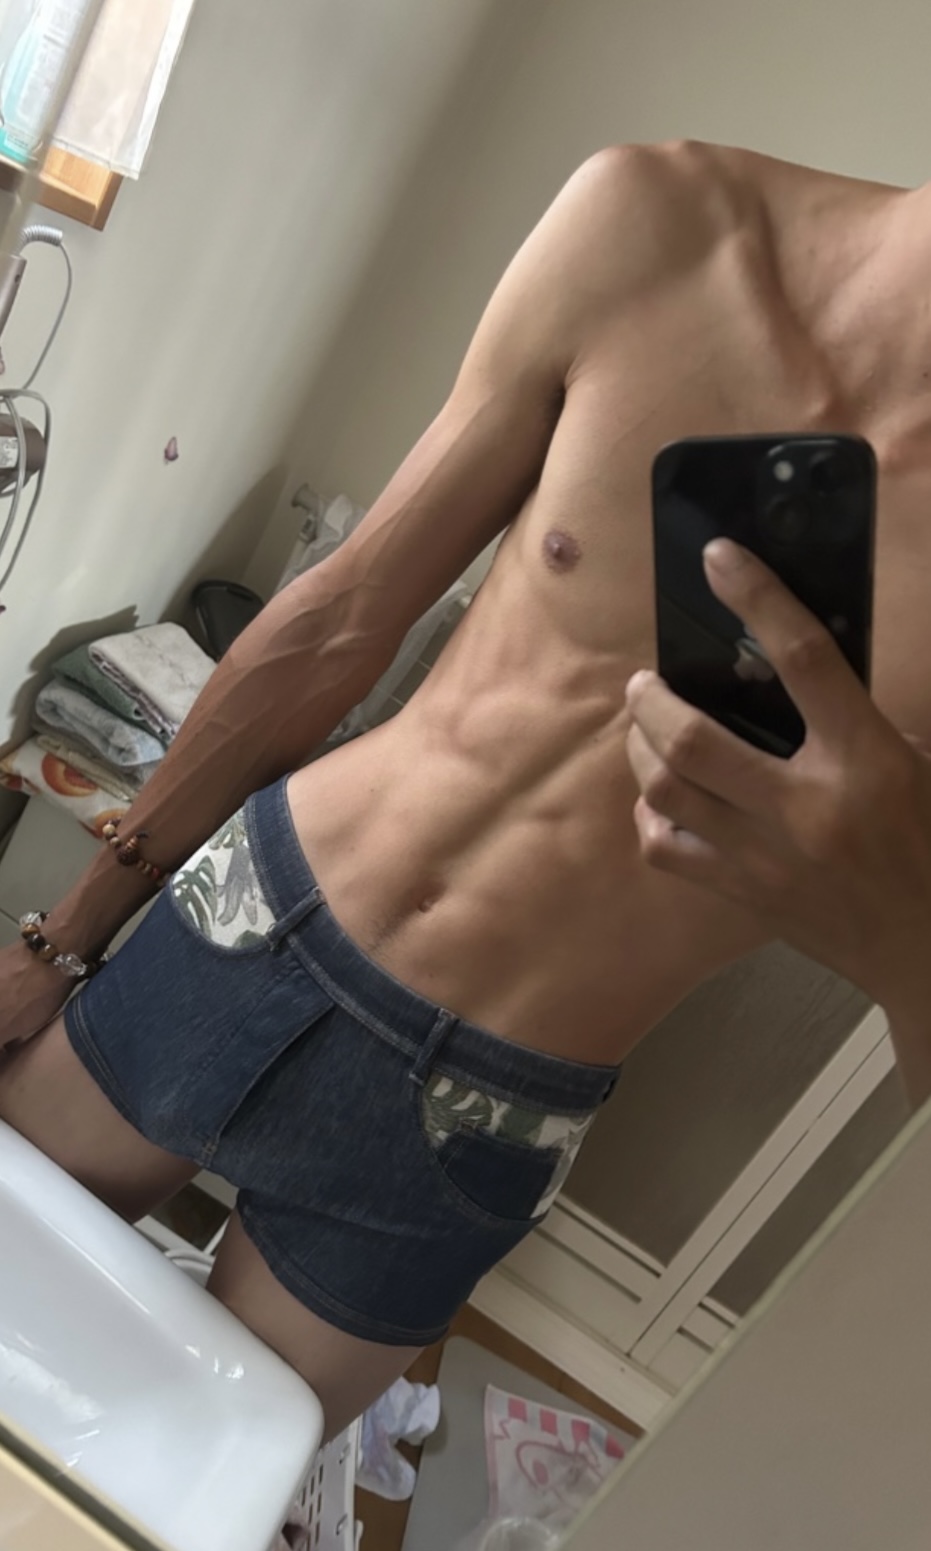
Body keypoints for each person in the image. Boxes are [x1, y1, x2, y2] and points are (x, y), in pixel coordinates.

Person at [2, 140, 931, 1437]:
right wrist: (62, 937)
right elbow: (338, 620)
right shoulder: (661, 221)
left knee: (178, 1478)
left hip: (489, 1111)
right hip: (256, 914)